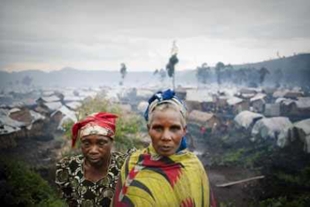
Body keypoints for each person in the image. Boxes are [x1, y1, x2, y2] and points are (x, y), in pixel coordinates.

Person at [112, 89, 216, 207]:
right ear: (148, 129)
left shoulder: (194, 167)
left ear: (184, 131)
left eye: (174, 128)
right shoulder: (132, 164)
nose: (166, 137)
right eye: (158, 128)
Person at [55, 112, 132, 207]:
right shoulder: (69, 167)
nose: (93, 150)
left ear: (111, 142)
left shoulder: (125, 164)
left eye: (101, 143)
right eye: (86, 143)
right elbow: (67, 201)